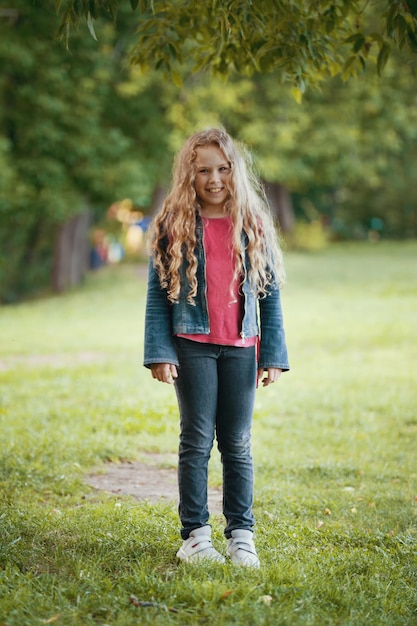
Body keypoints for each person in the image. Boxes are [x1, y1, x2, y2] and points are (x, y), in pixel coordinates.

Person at [144, 128, 289, 567]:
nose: (213, 179)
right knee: (196, 439)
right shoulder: (174, 225)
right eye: (203, 169)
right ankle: (195, 536)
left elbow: (270, 295)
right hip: (192, 346)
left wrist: (273, 355)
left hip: (242, 346)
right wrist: (160, 351)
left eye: (223, 169)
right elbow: (156, 294)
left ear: (235, 172)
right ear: (189, 173)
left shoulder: (253, 224)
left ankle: (241, 534)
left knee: (238, 442)